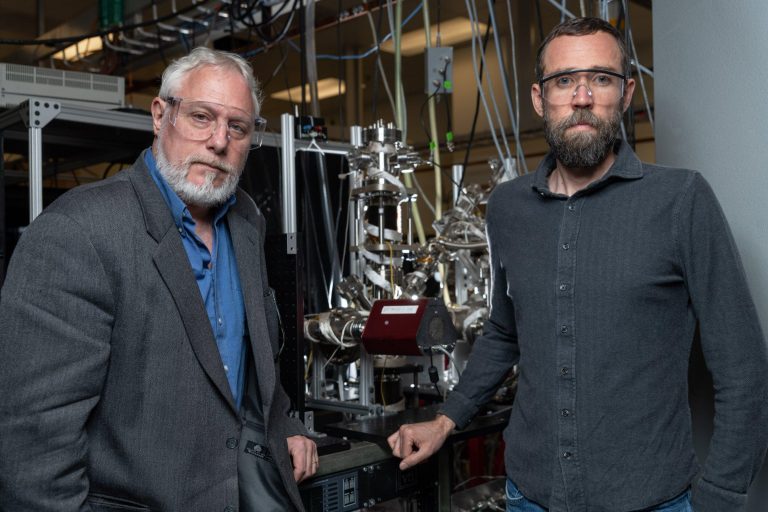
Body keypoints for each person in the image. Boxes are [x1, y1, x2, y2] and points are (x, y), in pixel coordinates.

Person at [388, 17, 768, 512]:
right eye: (564, 80)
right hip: (530, 495)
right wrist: (445, 420)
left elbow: (743, 369)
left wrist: (720, 498)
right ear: (539, 99)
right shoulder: (508, 207)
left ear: (626, 93)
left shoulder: (680, 200)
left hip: (650, 500)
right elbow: (505, 333)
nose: (582, 96)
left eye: (601, 79)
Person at [0, 47, 317, 511]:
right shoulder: (79, 230)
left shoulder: (246, 221)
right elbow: (32, 445)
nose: (218, 141)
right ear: (159, 115)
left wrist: (284, 422)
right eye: (201, 117)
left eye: (238, 127)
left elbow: (247, 360)